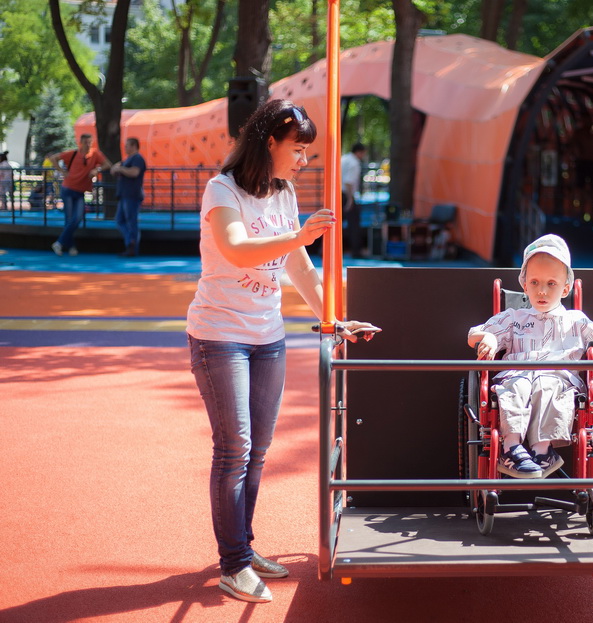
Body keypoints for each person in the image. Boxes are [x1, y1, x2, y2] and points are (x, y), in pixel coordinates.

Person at [186, 99, 379, 604]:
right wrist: (298, 235)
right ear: (269, 142)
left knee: (257, 450)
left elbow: (299, 267)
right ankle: (233, 563)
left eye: (306, 153)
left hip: (267, 336)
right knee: (234, 448)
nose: (303, 161)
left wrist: (334, 318)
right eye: (297, 150)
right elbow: (234, 249)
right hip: (219, 334)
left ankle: (243, 549)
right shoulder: (222, 189)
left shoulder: (284, 193)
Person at [467, 234, 593, 478]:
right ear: (524, 285)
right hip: (517, 374)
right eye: (534, 282)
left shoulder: (576, 320)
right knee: (518, 385)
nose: (542, 290)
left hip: (558, 380)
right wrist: (489, 337)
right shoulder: (513, 317)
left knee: (548, 385)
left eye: (551, 284)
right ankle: (511, 448)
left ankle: (542, 450)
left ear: (565, 289)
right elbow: (473, 335)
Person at [47, 134, 112, 256]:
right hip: (68, 189)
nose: (88, 145)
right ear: (81, 142)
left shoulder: (95, 154)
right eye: (85, 142)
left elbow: (107, 164)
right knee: (69, 219)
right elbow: (54, 158)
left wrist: (96, 169)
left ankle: (60, 243)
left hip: (80, 191)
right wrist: (62, 171)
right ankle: (71, 247)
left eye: (89, 142)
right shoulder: (72, 153)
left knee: (77, 218)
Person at [110, 137, 147, 256]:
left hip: (132, 194)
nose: (125, 148)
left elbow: (134, 172)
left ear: (134, 146)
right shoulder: (127, 160)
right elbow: (114, 169)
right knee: (120, 220)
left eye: (127, 146)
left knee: (131, 221)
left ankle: (132, 246)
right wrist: (117, 168)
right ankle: (130, 242)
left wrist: (120, 169)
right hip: (124, 194)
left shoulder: (137, 158)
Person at [340, 142, 366, 258]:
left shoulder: (343, 158)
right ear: (360, 152)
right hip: (347, 194)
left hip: (338, 193)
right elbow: (349, 182)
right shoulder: (354, 163)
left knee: (334, 222)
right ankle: (356, 251)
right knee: (354, 224)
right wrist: (350, 199)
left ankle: (325, 249)